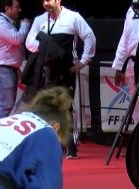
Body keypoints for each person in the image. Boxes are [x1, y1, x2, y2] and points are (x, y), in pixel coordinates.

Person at [22, 0, 95, 159]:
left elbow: (89, 36)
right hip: (47, 70)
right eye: (44, 1)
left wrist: (83, 61)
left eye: (49, 0)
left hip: (67, 70)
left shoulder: (73, 17)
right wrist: (48, 51)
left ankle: (71, 146)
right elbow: (29, 42)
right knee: (48, 108)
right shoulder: (40, 20)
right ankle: (53, 145)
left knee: (67, 107)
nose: (46, 4)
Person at [0, 0, 31, 118]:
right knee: (5, 105)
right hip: (3, 70)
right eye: (17, 7)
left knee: (7, 105)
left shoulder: (7, 23)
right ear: (7, 8)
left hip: (8, 68)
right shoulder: (1, 23)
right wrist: (25, 25)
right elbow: (17, 39)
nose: (20, 10)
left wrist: (16, 69)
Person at [111, 4, 139, 87]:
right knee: (135, 99)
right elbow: (125, 38)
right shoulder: (131, 9)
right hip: (132, 65)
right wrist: (120, 66)